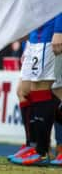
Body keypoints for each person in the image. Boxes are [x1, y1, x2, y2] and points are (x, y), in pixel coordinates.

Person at [9, 15, 62, 166]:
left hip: (49, 33)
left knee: (44, 90)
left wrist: (59, 29)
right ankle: (32, 146)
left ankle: (41, 150)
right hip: (36, 35)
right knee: (24, 91)